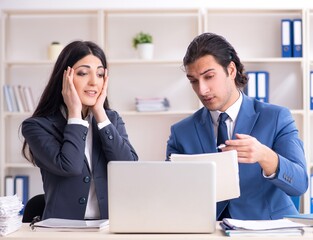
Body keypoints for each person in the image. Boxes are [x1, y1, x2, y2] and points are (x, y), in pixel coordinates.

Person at [166, 33, 308, 220]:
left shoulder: (276, 117)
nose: (202, 90)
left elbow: (299, 183)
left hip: (266, 229)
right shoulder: (181, 132)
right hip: (209, 230)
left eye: (209, 76)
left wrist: (265, 156)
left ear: (231, 71)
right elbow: (170, 194)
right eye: (193, 81)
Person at [21, 40, 138, 220]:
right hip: (62, 229)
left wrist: (99, 113)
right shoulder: (37, 126)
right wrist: (75, 114)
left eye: (100, 74)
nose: (93, 82)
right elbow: (70, 166)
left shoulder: (110, 120)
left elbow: (129, 168)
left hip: (110, 227)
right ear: (64, 78)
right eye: (83, 73)